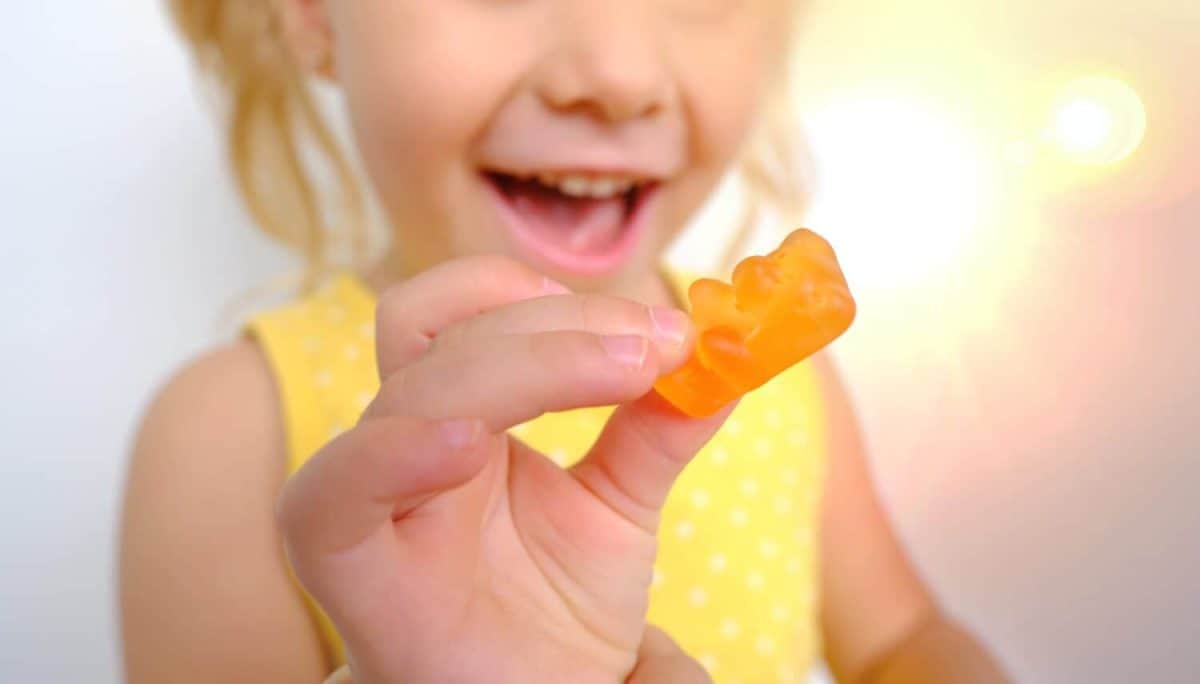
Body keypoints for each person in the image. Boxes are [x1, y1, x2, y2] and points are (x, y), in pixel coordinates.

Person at [119, 1, 1011, 682]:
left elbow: (902, 642)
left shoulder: (781, 380)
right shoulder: (231, 428)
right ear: (313, 12)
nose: (621, 76)